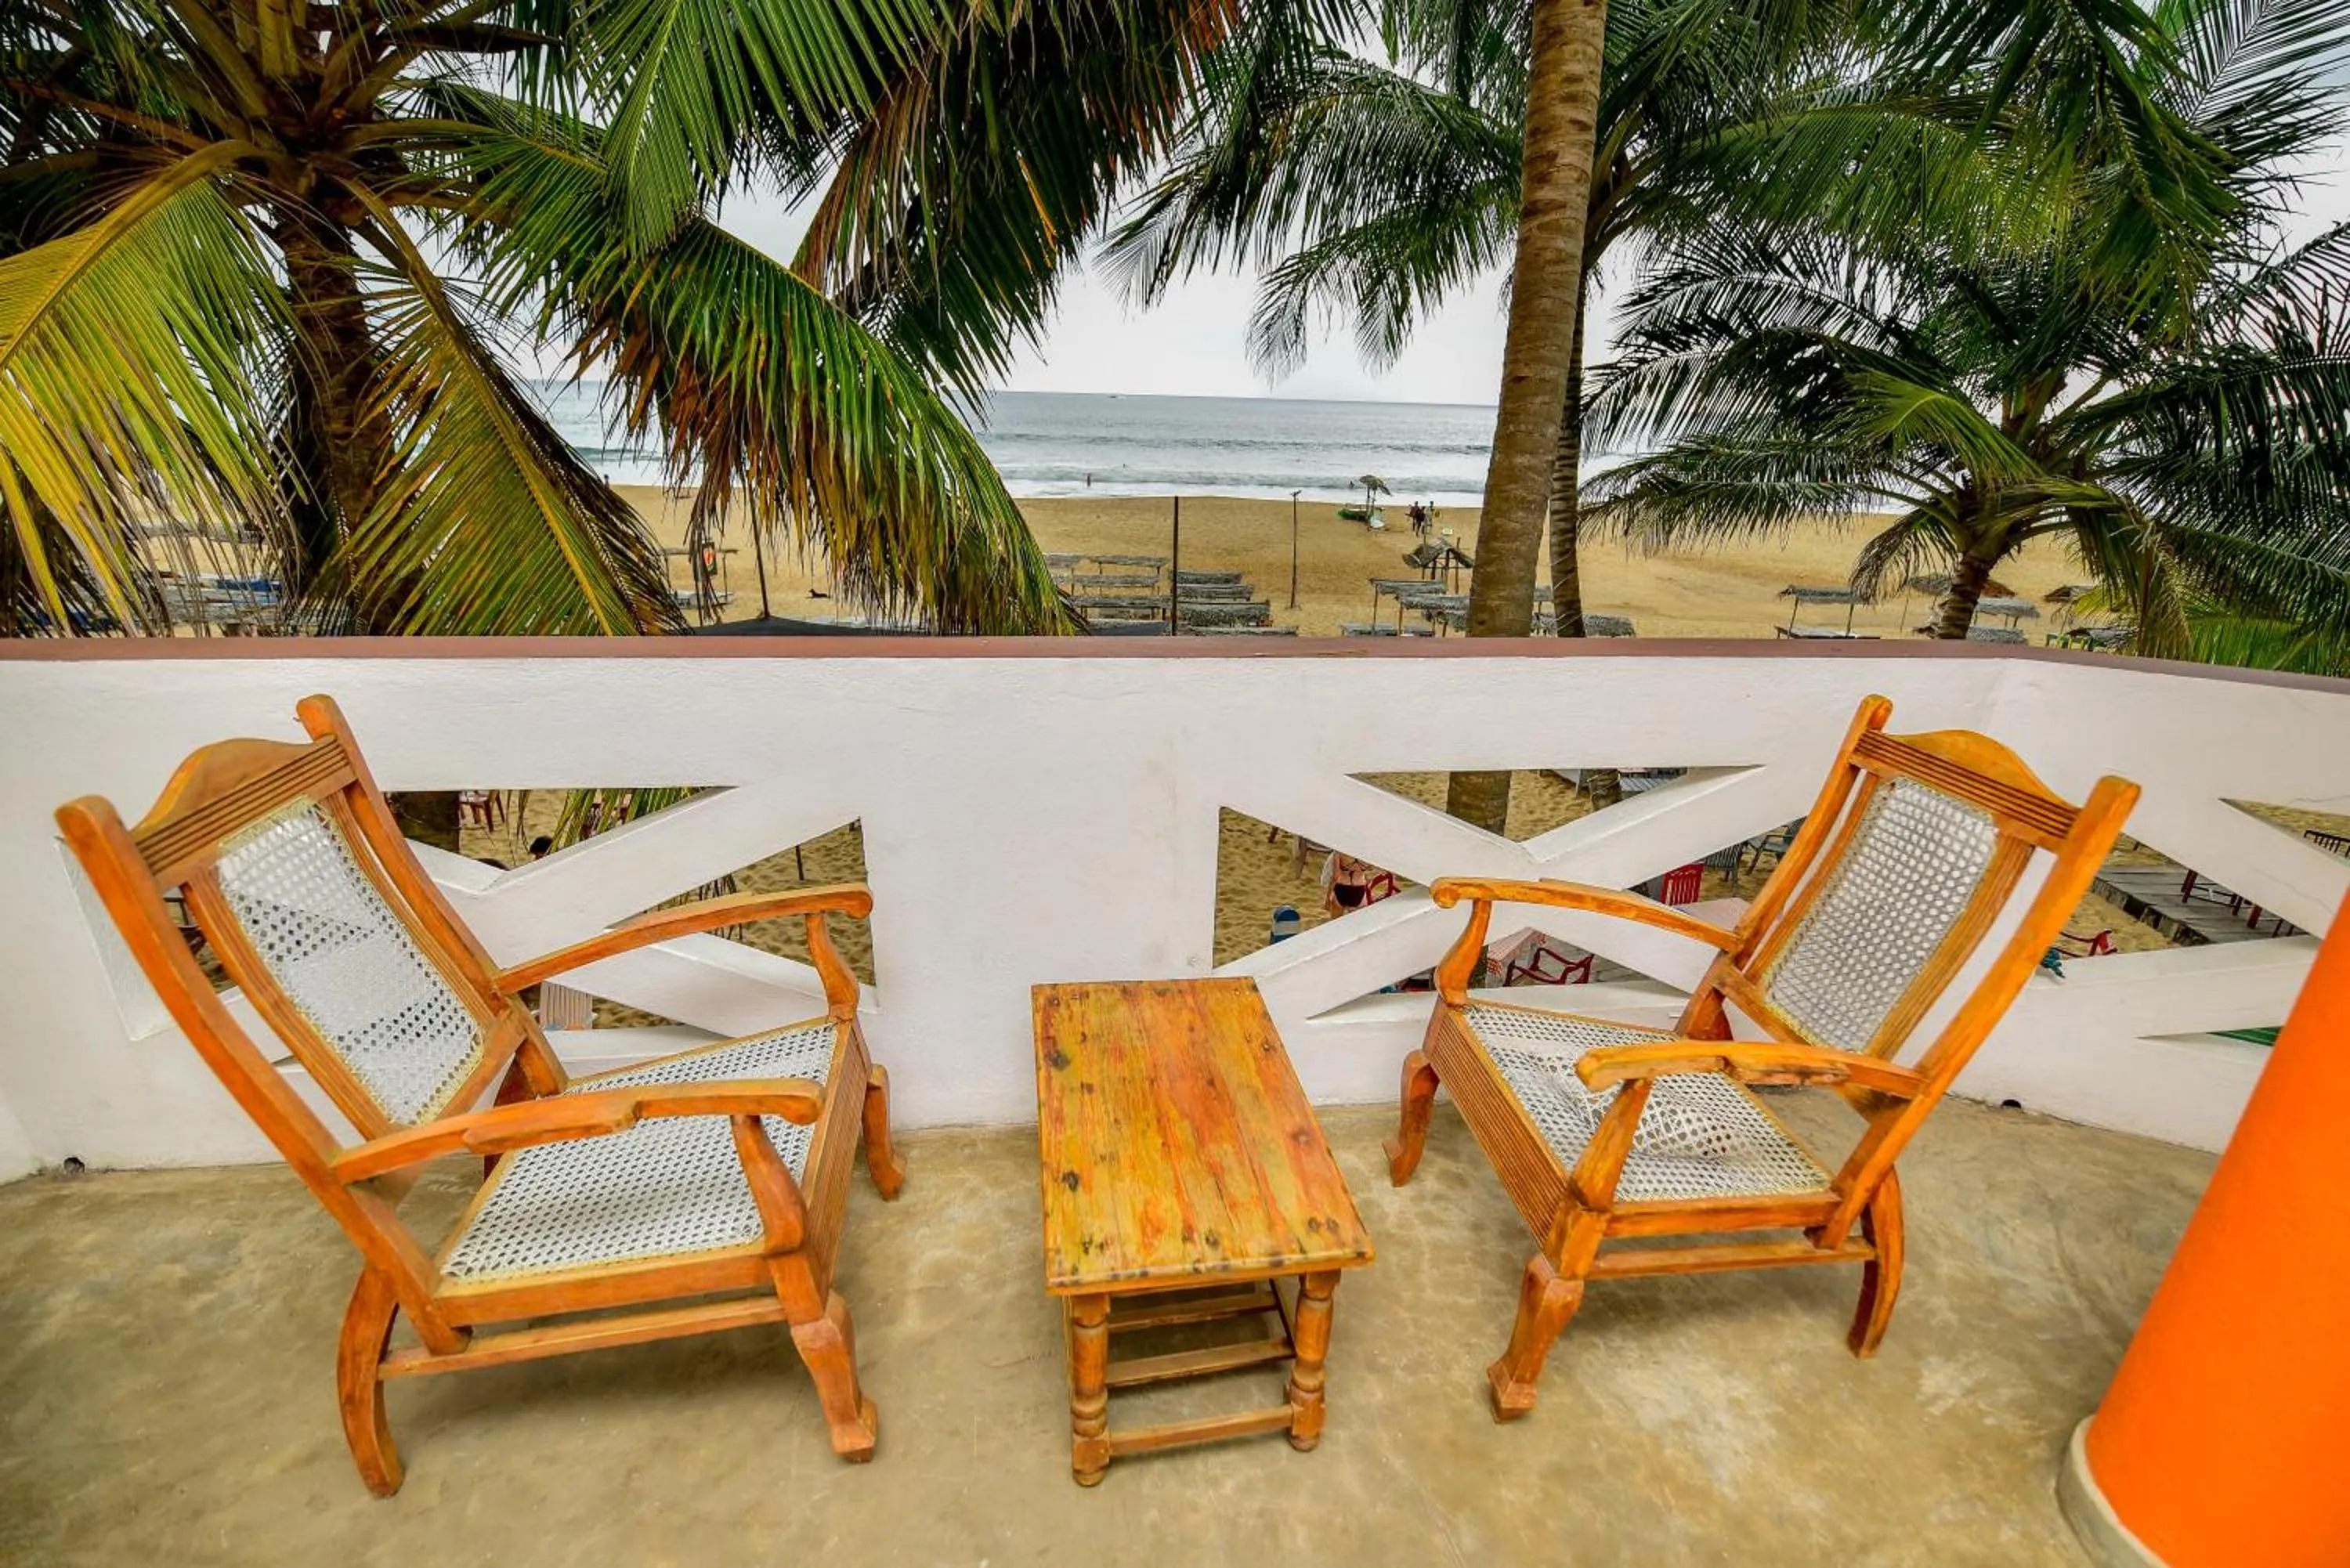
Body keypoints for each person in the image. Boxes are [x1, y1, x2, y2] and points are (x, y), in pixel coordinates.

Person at [1321, 851, 1378, 919]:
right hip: (1359, 891)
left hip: (1341, 890)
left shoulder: (1339, 853)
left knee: (1335, 921)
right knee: (1354, 921)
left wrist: (1327, 899)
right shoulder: (1367, 853)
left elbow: (1335, 877)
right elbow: (1371, 869)